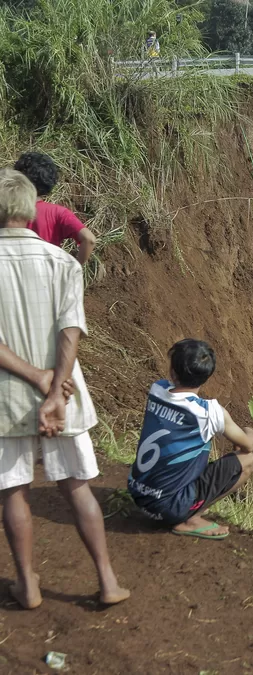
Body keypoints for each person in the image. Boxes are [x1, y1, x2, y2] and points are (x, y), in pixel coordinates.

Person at [0, 168, 129, 609]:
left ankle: (28, 586)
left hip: (6, 398)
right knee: (77, 486)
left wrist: (35, 378)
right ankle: (108, 581)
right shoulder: (63, 262)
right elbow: (70, 332)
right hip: (65, 394)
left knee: (13, 490)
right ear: (30, 207)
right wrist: (54, 389)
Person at [127, 339, 253, 539]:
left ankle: (188, 507)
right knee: (248, 460)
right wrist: (251, 431)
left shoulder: (157, 389)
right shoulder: (209, 412)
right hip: (169, 508)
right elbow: (247, 445)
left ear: (173, 372)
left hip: (138, 494)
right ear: (207, 376)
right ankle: (189, 517)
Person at [13, 152, 97, 266]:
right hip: (48, 278)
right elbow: (89, 239)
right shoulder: (58, 213)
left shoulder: (7, 210)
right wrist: (75, 269)